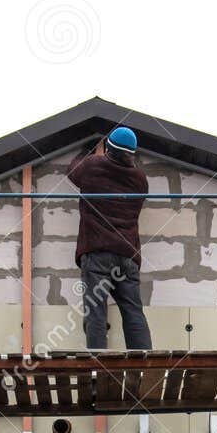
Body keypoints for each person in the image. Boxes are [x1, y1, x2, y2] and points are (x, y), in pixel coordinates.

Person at [66, 126, 152, 351]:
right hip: (128, 256)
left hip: (98, 253)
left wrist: (87, 151)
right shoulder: (140, 180)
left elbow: (73, 171)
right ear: (132, 153)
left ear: (109, 150)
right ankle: (143, 362)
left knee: (96, 312)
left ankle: (97, 365)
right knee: (133, 311)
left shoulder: (93, 165)